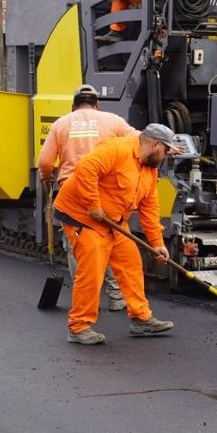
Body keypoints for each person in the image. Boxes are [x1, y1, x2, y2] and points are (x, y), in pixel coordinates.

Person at [54, 123, 181, 345]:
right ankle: (79, 327)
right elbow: (86, 169)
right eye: (166, 150)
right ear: (154, 144)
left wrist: (157, 243)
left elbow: (150, 209)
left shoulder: (150, 170)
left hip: (113, 222)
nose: (167, 156)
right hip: (82, 217)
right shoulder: (118, 149)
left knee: (131, 262)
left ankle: (141, 318)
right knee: (92, 270)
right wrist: (93, 204)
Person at [37, 84, 136, 311]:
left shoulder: (61, 124)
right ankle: (116, 295)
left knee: (77, 245)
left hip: (73, 192)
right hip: (107, 192)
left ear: (73, 105)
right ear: (97, 104)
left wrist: (47, 177)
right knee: (110, 239)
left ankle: (85, 294)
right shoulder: (114, 121)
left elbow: (44, 162)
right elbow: (137, 141)